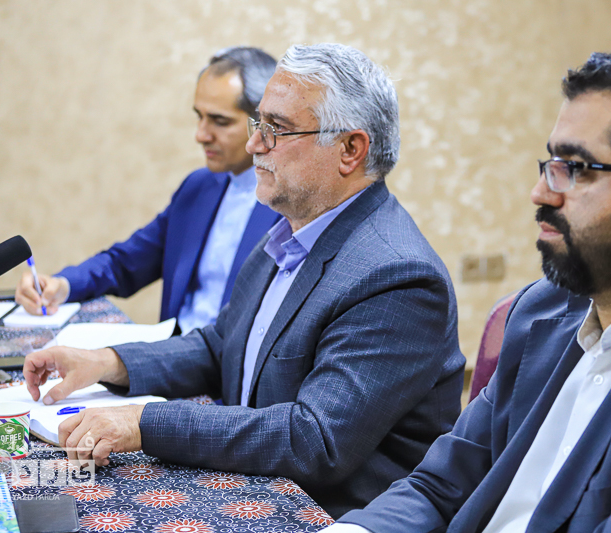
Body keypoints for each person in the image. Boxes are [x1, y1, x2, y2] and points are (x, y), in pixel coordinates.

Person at [327, 46, 611, 532]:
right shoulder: (543, 309)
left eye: (577, 168)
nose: (541, 192)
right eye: (551, 162)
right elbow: (439, 488)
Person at [23, 43, 465, 519]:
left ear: (350, 150)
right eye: (258, 124)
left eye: (277, 128)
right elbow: (221, 346)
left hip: (328, 514)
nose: (255, 145)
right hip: (256, 487)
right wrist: (107, 363)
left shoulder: (396, 276)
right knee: (37, 490)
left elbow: (313, 439)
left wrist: (143, 422)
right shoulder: (291, 231)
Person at [15, 46, 281, 334]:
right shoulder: (198, 188)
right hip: (173, 353)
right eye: (199, 117)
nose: (201, 135)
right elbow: (125, 263)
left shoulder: (290, 204)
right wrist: (62, 285)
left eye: (219, 121)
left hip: (233, 361)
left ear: (263, 123)